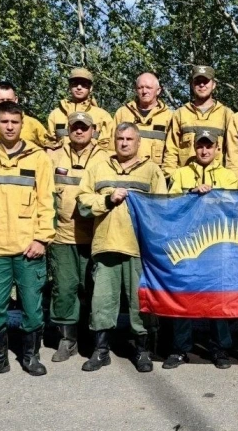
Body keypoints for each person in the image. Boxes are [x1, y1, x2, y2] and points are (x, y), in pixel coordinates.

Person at [0, 101, 56, 379]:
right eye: (4, 122)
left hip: (29, 249)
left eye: (15, 122)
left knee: (32, 309)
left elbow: (46, 202)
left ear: (22, 122)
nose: (10, 127)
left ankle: (31, 356)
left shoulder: (38, 158)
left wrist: (41, 239)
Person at [76, 122, 168, 373]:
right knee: (102, 302)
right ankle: (101, 351)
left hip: (138, 248)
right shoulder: (98, 168)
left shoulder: (151, 171)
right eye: (120, 138)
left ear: (139, 142)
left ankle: (142, 350)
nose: (124, 143)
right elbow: (83, 203)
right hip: (106, 245)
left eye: (129, 139)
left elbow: (161, 208)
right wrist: (108, 198)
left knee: (140, 304)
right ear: (114, 141)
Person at [162, 129, 238, 370]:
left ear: (217, 149)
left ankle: (220, 348)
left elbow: (236, 207)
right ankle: (180, 348)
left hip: (218, 246)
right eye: (200, 146)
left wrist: (214, 195)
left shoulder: (228, 176)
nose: (204, 150)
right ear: (194, 148)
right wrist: (191, 194)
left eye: (209, 146)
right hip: (188, 244)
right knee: (184, 296)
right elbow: (170, 206)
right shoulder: (181, 173)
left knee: (218, 298)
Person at [47, 112, 109, 363]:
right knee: (64, 289)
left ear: (93, 130)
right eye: (75, 127)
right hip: (63, 236)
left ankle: (95, 340)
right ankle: (67, 339)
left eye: (84, 127)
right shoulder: (53, 157)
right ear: (68, 130)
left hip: (96, 236)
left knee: (95, 291)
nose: (80, 131)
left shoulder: (105, 158)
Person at [163, 65, 233, 177]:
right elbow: (171, 150)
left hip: (217, 184)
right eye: (198, 81)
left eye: (205, 81)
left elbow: (232, 153)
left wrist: (230, 181)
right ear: (192, 85)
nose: (202, 85)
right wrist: (171, 177)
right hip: (186, 182)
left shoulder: (226, 114)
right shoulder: (180, 114)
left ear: (214, 85)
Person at [0, 81, 56, 149]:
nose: (6, 103)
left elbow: (50, 146)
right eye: (1, 100)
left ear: (16, 100)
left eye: (9, 99)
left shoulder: (32, 123)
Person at [47, 68, 115, 152]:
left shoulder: (102, 116)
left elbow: (108, 147)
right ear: (69, 86)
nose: (79, 87)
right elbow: (50, 144)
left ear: (90, 88)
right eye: (75, 84)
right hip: (62, 161)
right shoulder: (56, 114)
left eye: (84, 84)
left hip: (92, 162)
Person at [115, 72, 173, 168]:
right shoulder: (122, 113)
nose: (144, 91)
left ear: (158, 90)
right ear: (135, 90)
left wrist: (164, 175)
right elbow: (112, 147)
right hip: (125, 174)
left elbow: (171, 152)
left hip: (154, 174)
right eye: (140, 87)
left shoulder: (168, 116)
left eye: (148, 87)